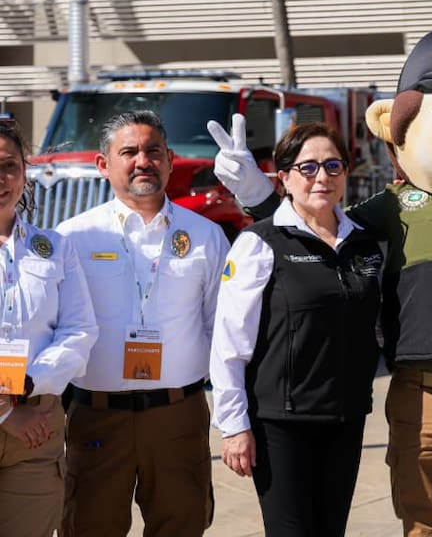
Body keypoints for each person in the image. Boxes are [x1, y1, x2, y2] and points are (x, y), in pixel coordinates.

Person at [210, 22, 432, 536]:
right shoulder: (395, 205)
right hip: (416, 398)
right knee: (423, 527)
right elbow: (312, 226)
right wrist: (259, 197)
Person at [58, 110, 230, 537]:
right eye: (129, 151)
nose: (143, 161)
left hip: (178, 416)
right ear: (104, 164)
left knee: (181, 526)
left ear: (170, 160)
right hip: (97, 416)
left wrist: (233, 418)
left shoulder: (206, 236)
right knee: (89, 527)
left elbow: (223, 332)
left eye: (153, 151)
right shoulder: (73, 238)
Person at [209, 123, 382, 536]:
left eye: (332, 166)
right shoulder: (260, 242)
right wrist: (234, 426)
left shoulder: (364, 244)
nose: (321, 177)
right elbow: (230, 342)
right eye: (308, 168)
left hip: (346, 418)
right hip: (282, 425)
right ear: (283, 177)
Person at [0, 117, 97, 536]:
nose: (1, 177)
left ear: (25, 172)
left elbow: (79, 330)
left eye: (9, 164)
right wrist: (4, 412)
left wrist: (26, 384)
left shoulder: (55, 247)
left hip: (36, 427)